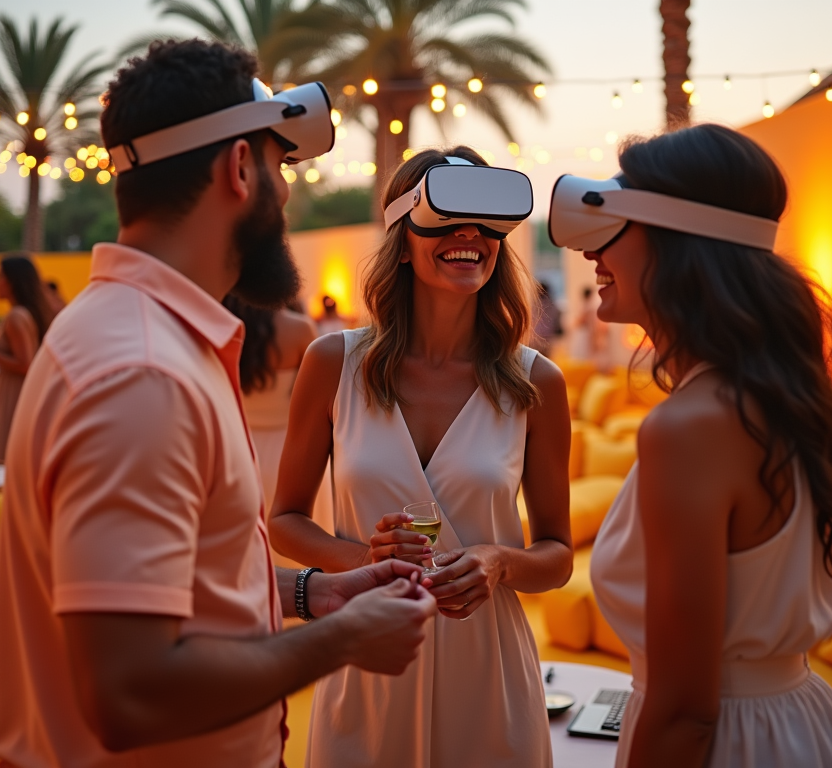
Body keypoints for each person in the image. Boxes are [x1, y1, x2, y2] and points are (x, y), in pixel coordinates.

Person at [0, 39, 436, 768]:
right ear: (237, 167)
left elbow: (182, 585)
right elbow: (129, 692)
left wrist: (314, 595)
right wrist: (344, 639)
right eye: (279, 166)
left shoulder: (132, 335)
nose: (286, 195)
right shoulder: (142, 373)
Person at [269, 146, 573, 768]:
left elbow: (558, 556)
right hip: (367, 664)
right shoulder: (333, 364)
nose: (470, 234)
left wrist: (499, 562)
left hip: (490, 675)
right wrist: (362, 561)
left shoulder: (536, 381)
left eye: (487, 220)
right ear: (402, 238)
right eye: (447, 214)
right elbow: (285, 521)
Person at [579, 126, 832, 767]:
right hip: (803, 724)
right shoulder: (804, 402)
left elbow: (685, 712)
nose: (594, 251)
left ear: (675, 244)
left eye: (616, 223)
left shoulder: (689, 427)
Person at [224, 295, 334, 558]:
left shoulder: (224, 330)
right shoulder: (299, 330)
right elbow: (323, 396)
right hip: (294, 455)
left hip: (238, 454)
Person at [0, 254, 55, 462]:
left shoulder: (16, 316)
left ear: (12, 281)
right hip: (18, 391)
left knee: (10, 456)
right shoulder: (24, 313)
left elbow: (25, 364)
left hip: (15, 394)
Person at [532, 280, 562, 357]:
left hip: (535, 337)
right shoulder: (552, 304)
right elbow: (557, 320)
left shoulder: (534, 304)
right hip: (548, 337)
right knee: (546, 361)